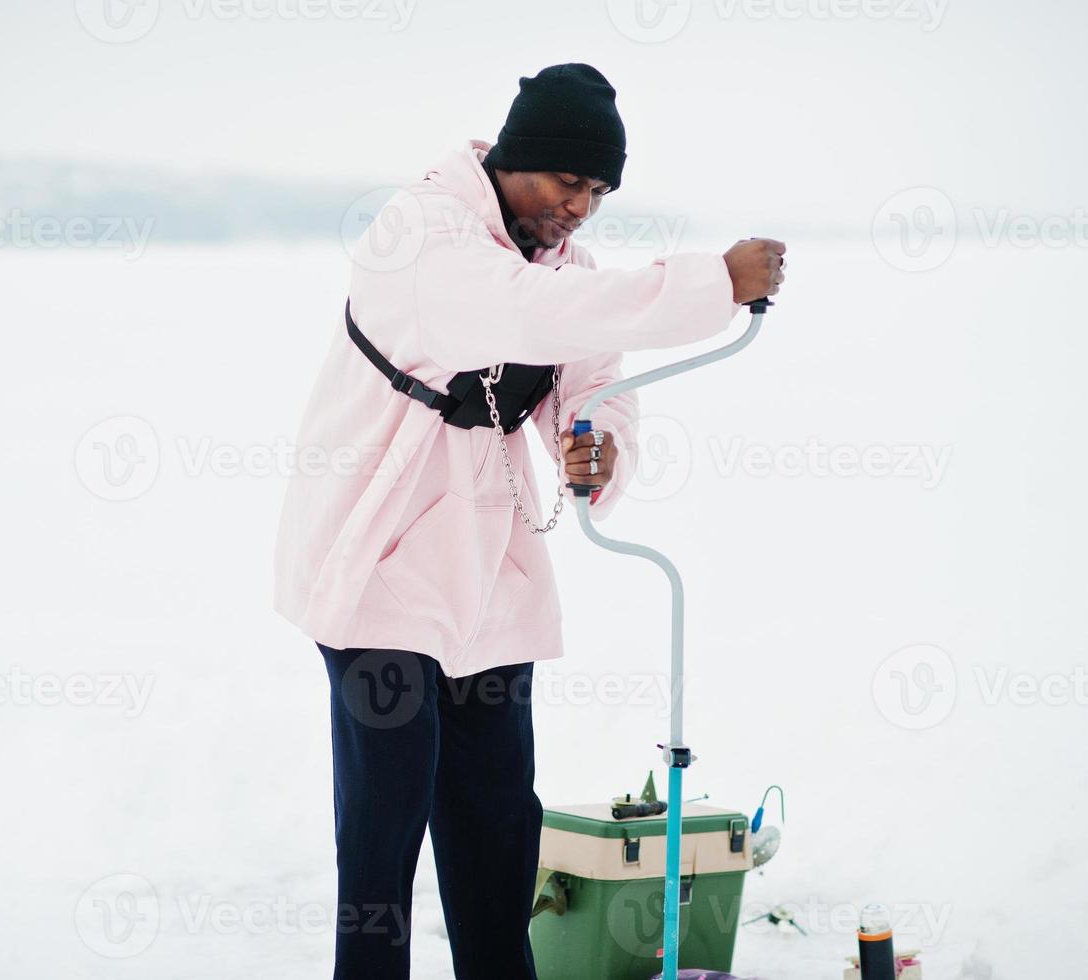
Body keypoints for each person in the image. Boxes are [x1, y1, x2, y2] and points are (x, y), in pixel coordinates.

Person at [272, 63, 785, 979]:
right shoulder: (420, 237)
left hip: (487, 577)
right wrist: (711, 283)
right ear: (513, 160)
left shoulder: (569, 270)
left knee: (498, 821)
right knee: (385, 824)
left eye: (597, 191)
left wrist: (599, 447)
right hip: (379, 560)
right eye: (567, 181)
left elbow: (594, 377)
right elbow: (529, 313)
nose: (580, 206)